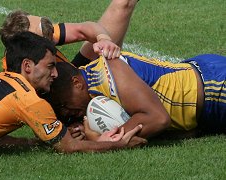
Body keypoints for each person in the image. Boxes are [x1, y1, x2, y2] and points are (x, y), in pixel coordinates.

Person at [0, 32, 146, 164]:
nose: (55, 74)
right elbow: (68, 147)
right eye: (50, 66)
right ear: (28, 66)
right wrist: (117, 146)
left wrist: (32, 142)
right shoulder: (29, 100)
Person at [49, 51, 226, 140]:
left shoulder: (109, 76)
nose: (65, 113)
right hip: (202, 85)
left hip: (214, 87)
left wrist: (100, 142)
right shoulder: (90, 81)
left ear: (77, 83)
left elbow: (157, 118)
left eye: (63, 104)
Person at [0, 0, 139, 69]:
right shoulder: (21, 77)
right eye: (46, 37)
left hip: (73, 76)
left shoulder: (40, 32)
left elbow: (83, 29)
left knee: (124, 3)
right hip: (71, 99)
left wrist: (103, 39)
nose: (52, 36)